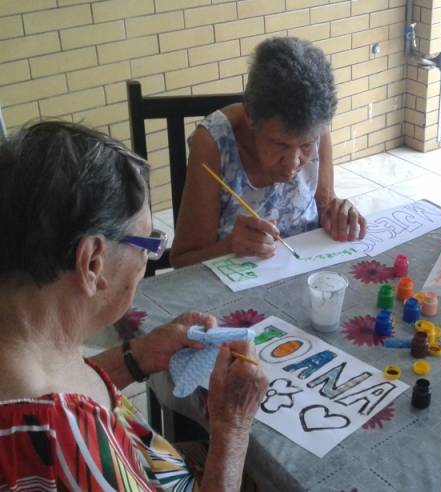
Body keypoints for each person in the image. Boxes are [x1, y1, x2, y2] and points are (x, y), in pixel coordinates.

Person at [0, 121, 269, 489]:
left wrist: (137, 356)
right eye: (147, 244)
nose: (149, 258)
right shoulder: (63, 436)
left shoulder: (27, 343)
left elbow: (67, 383)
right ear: (93, 263)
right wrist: (232, 427)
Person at [171, 37, 366, 268]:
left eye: (306, 146)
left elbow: (324, 205)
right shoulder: (214, 144)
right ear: (250, 117)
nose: (293, 163)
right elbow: (182, 261)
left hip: (304, 271)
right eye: (280, 145)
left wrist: (338, 214)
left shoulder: (316, 128)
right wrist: (230, 246)